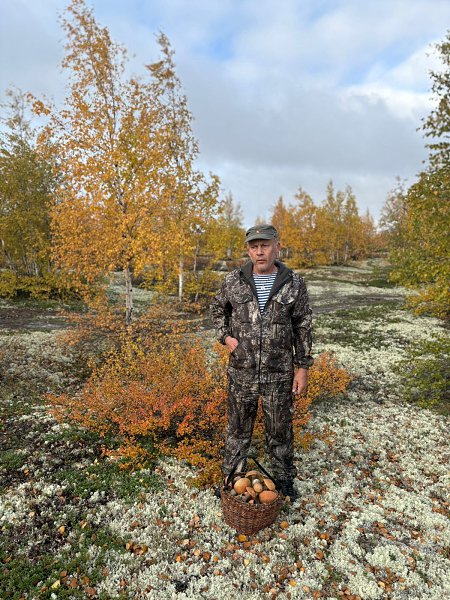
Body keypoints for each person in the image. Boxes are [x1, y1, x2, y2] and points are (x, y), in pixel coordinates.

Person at [209, 224, 313, 501]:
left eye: (265, 245)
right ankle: (232, 480)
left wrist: (302, 368)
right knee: (237, 430)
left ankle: (283, 481)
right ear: (248, 250)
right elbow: (217, 309)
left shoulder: (294, 283)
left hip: (279, 374)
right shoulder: (234, 280)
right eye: (254, 247)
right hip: (241, 372)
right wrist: (225, 336)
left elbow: (303, 325)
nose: (259, 251)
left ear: (277, 246)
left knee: (280, 430)